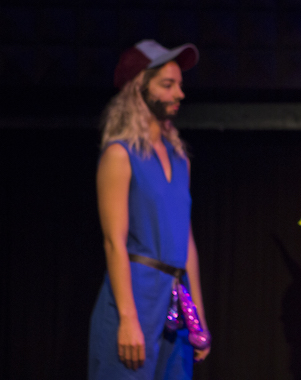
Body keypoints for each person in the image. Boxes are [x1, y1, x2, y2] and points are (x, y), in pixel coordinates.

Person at [88, 40, 211, 379]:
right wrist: (128, 318)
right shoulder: (119, 155)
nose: (179, 94)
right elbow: (114, 241)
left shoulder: (180, 160)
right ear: (138, 90)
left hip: (175, 303)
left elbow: (187, 243)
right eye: (167, 85)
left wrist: (197, 313)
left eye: (180, 85)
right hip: (136, 295)